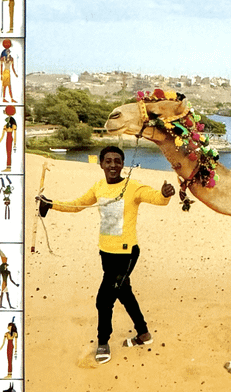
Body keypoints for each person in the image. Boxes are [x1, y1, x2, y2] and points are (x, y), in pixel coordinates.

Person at [38, 146, 176, 364]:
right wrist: (51, 204)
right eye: (108, 161)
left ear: (123, 164)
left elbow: (155, 197)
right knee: (124, 293)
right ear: (101, 164)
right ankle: (144, 334)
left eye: (117, 161)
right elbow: (77, 205)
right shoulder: (99, 187)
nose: (113, 165)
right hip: (106, 252)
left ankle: (103, 341)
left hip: (126, 254)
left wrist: (164, 194)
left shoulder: (132, 186)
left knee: (104, 300)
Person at [0, 105, 16, 172]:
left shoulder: (12, 124)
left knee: (9, 152)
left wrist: (15, 143)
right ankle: (8, 166)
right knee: (8, 152)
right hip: (8, 138)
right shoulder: (7, 124)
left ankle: (8, 167)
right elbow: (3, 135)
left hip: (9, 138)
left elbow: (14, 133)